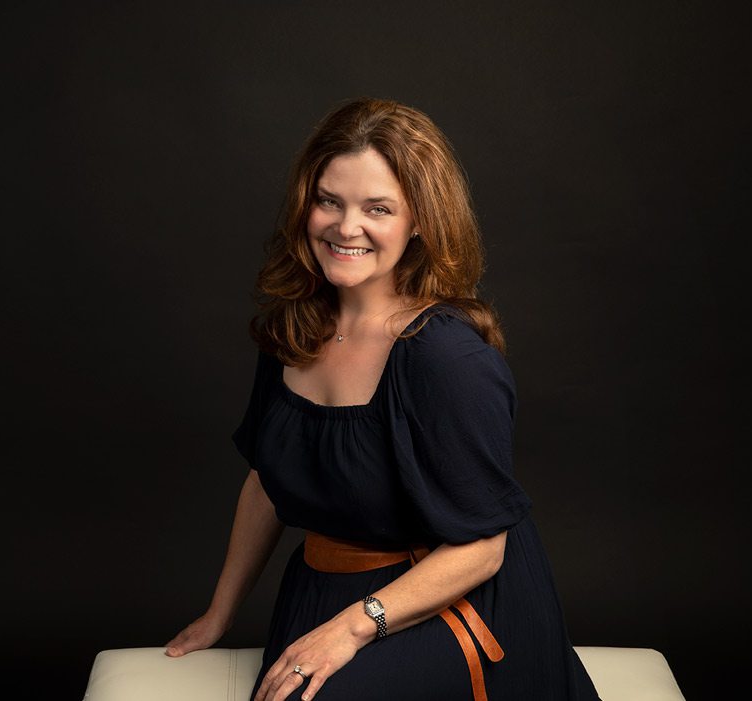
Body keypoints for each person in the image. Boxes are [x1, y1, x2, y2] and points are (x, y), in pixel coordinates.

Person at [165, 97, 601, 701]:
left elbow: (482, 548)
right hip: (326, 586)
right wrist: (220, 613)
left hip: (453, 603)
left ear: (419, 221)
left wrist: (348, 630)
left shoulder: (446, 357)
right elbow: (267, 481)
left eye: (378, 208)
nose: (347, 228)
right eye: (329, 201)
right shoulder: (294, 327)